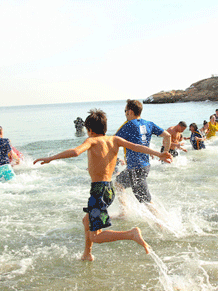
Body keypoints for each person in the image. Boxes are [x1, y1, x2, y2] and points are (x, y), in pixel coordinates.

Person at [33, 109, 172, 261]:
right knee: (87, 221)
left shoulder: (92, 140)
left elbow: (75, 152)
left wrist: (51, 158)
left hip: (98, 190)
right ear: (105, 128)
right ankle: (87, 254)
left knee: (96, 236)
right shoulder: (114, 139)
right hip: (109, 189)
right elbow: (137, 147)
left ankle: (131, 234)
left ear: (89, 130)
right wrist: (159, 154)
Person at [115, 99, 171, 206]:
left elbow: (113, 142)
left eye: (125, 111)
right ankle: (123, 212)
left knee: (146, 202)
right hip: (143, 166)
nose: (125, 114)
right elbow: (167, 135)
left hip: (136, 168)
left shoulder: (128, 125)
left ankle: (161, 222)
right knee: (118, 182)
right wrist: (165, 152)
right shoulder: (149, 124)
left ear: (130, 112)